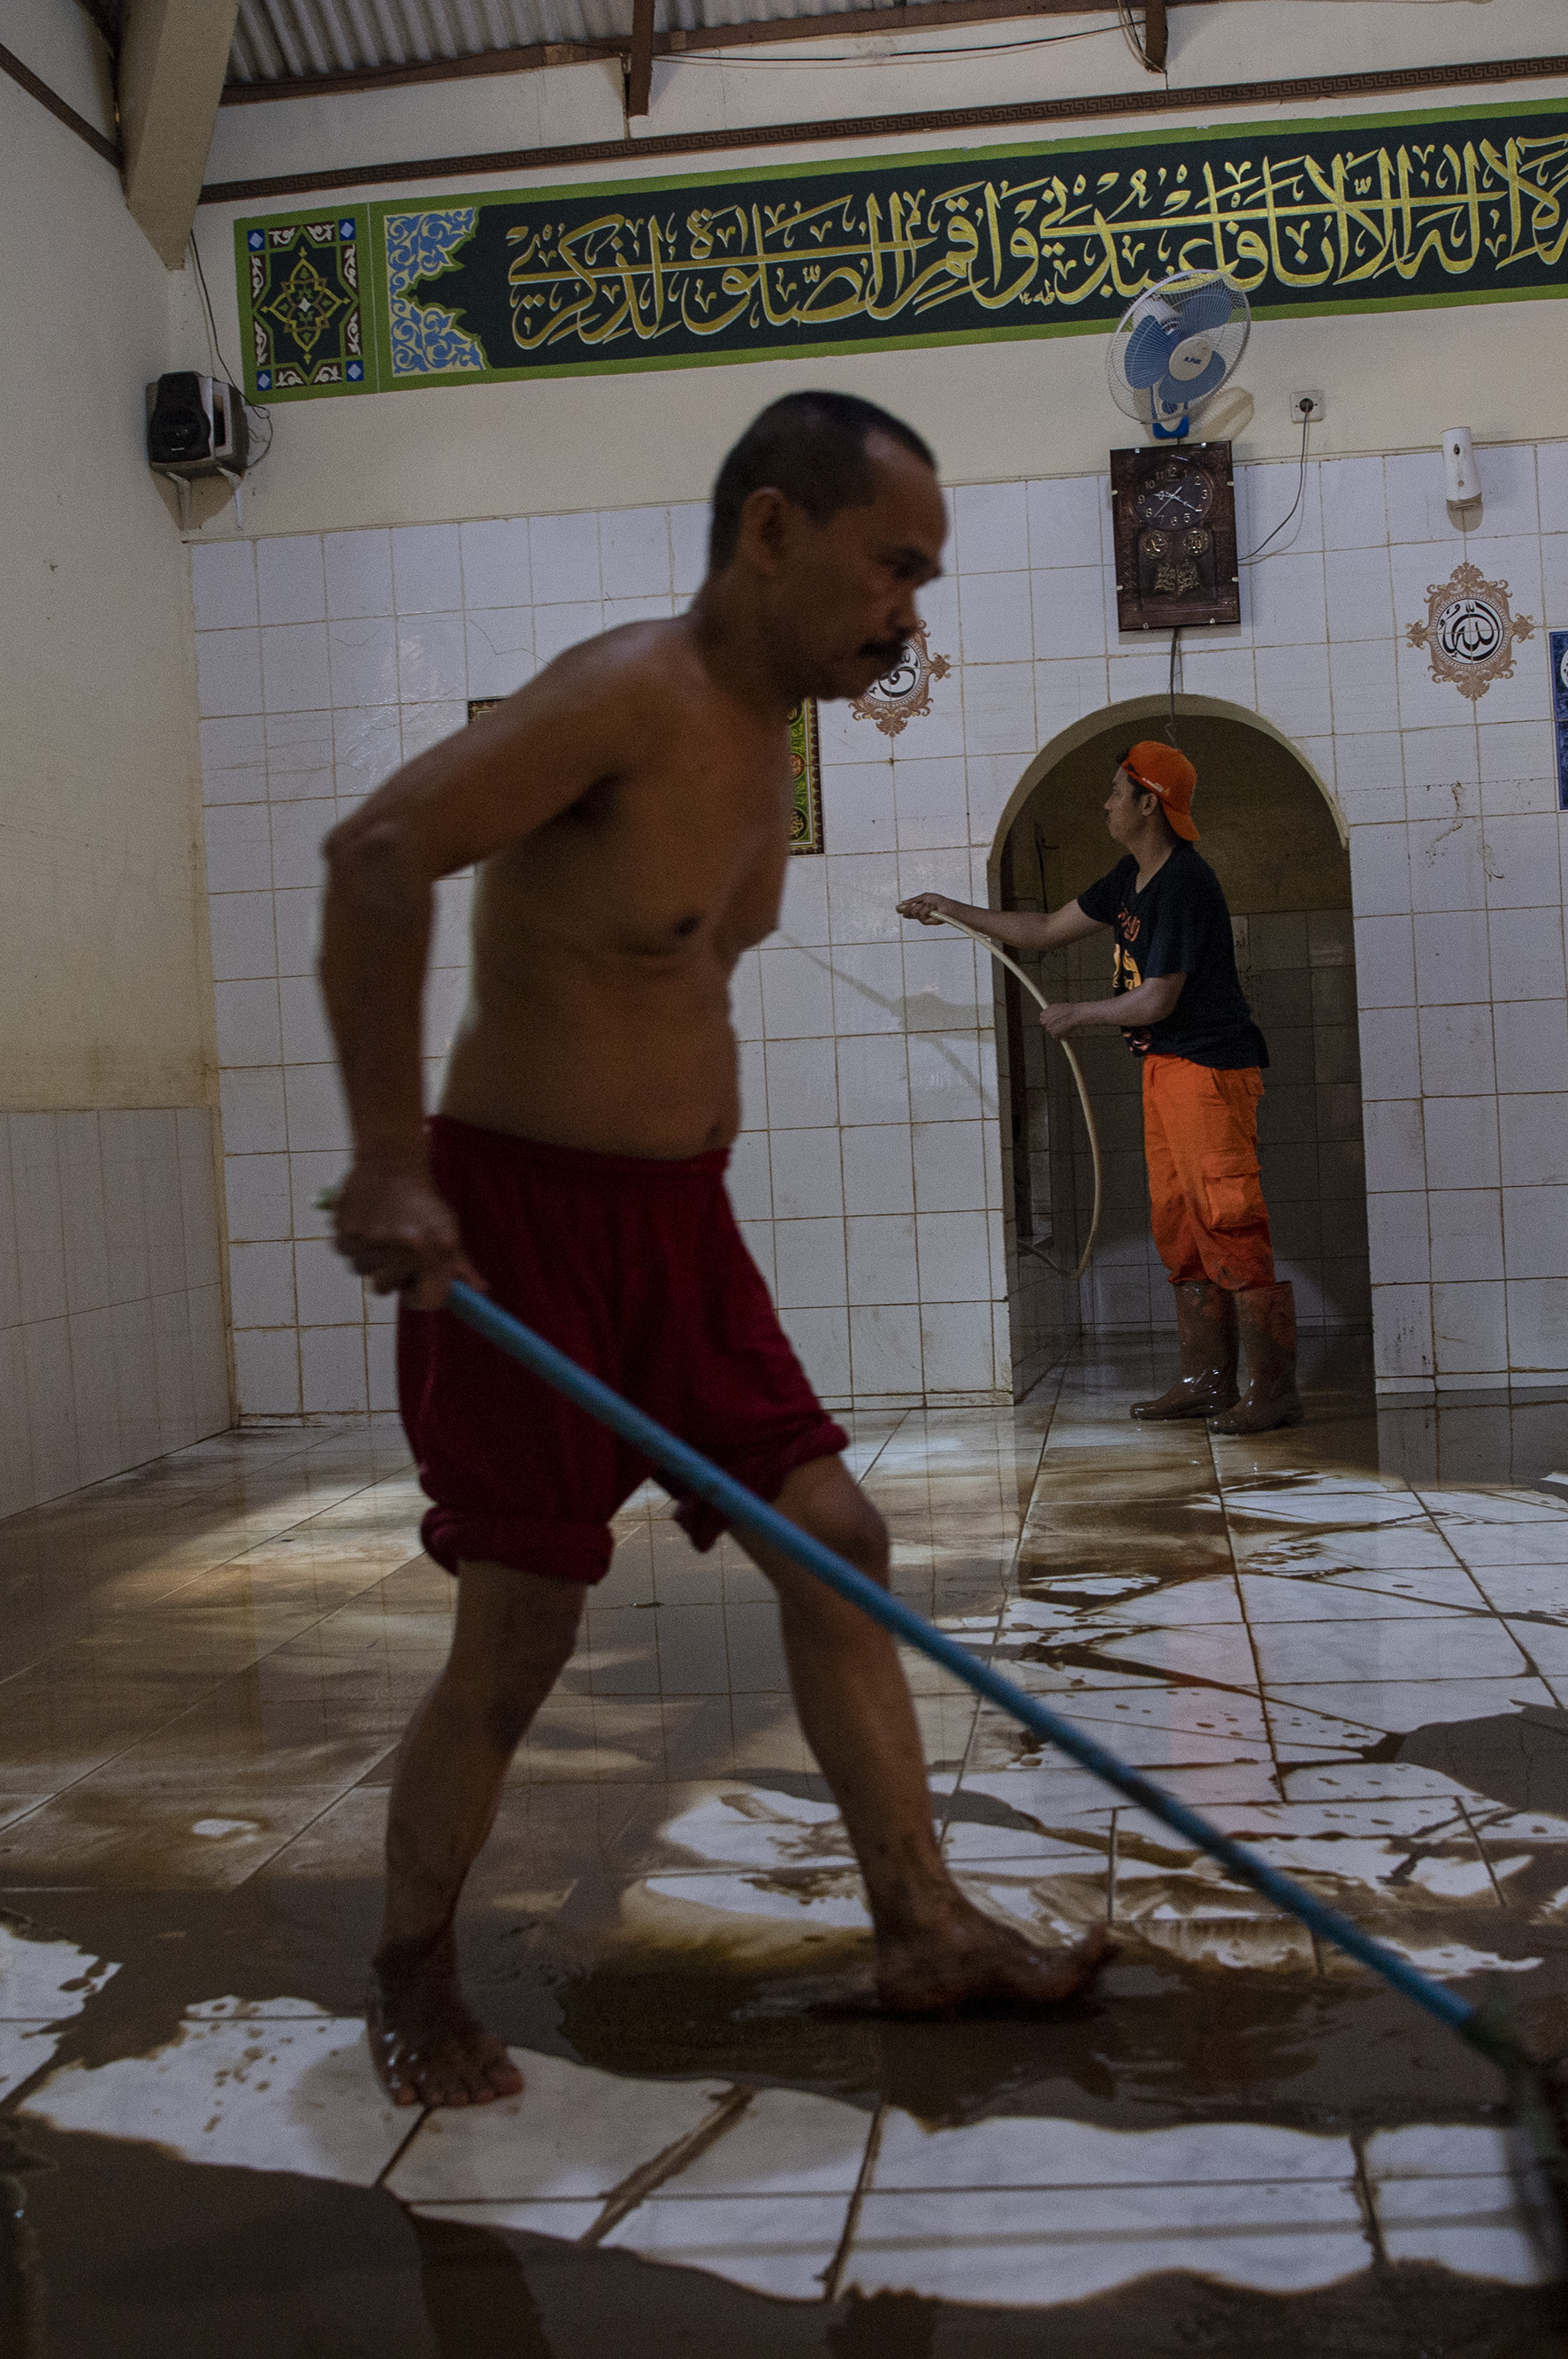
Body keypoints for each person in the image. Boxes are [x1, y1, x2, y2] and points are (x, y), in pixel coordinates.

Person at [318, 391, 1109, 2110]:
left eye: (925, 576)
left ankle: (920, 1924)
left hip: (677, 1231)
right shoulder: (626, 695)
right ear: (770, 530)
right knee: (522, 1633)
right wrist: (388, 1158)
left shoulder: (766, 742)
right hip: (521, 1228)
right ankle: (409, 1968)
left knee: (837, 1539)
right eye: (892, 564)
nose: (909, 609)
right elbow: (377, 852)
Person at [899, 744, 1297, 1433]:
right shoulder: (1128, 877)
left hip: (1208, 1069)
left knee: (1227, 1218)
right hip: (1166, 1067)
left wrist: (1078, 1013)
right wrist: (952, 909)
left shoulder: (1184, 881)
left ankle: (1273, 1390)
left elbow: (1160, 997)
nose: (1106, 803)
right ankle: (1206, 1380)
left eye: (1117, 791)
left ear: (1149, 802)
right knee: (1180, 1226)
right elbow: (1046, 929)